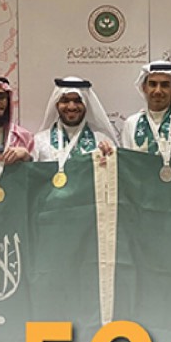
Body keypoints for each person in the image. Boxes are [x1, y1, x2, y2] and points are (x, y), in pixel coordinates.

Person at [33, 77, 119, 322]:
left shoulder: (102, 141)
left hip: (91, 230)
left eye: (77, 101)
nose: (71, 106)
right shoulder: (39, 141)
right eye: (65, 101)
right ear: (56, 104)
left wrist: (110, 159)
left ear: (86, 105)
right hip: (52, 230)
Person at [120, 61, 171, 173]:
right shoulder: (131, 124)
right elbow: (128, 168)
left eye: (165, 85)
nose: (158, 91)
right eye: (153, 84)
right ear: (144, 88)